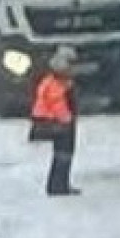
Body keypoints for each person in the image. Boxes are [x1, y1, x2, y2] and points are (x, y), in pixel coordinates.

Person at [30, 45, 81, 197]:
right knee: (63, 154)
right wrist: (67, 119)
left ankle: (59, 184)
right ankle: (59, 185)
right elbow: (57, 103)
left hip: (53, 121)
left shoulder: (53, 81)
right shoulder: (57, 84)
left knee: (62, 154)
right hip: (56, 123)